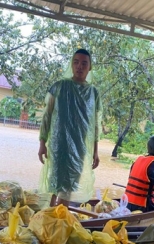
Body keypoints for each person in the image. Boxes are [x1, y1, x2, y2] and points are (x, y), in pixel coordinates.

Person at [38, 49, 102, 203]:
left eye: (84, 63)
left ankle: (60, 220)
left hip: (80, 148)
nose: (79, 66)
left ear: (90, 67)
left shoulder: (93, 93)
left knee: (69, 188)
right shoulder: (59, 86)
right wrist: (42, 143)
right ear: (71, 65)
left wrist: (95, 151)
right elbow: (47, 116)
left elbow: (96, 125)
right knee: (55, 185)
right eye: (76, 62)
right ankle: (50, 217)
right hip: (58, 144)